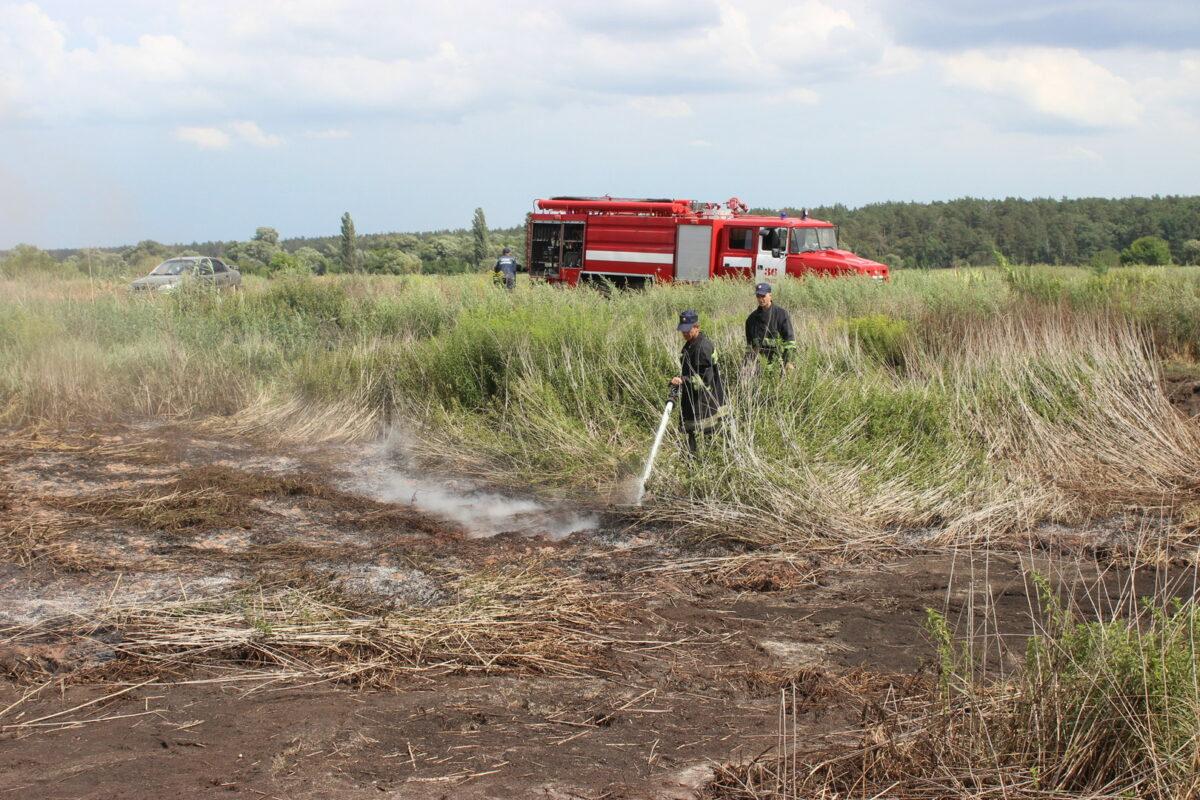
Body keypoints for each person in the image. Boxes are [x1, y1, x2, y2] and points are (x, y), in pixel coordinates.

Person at [670, 310, 727, 453]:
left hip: (705, 401)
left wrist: (683, 380)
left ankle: (703, 461)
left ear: (697, 327)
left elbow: (704, 380)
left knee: (707, 434)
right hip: (693, 397)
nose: (685, 334)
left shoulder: (703, 347)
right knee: (693, 434)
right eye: (683, 330)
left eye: (688, 330)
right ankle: (691, 459)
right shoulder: (691, 344)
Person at [744, 282, 796, 368]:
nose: (760, 299)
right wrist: (746, 366)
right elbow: (750, 347)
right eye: (758, 296)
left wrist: (788, 362)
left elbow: (790, 342)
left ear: (770, 296)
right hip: (759, 367)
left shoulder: (781, 315)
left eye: (763, 296)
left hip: (778, 366)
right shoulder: (751, 319)